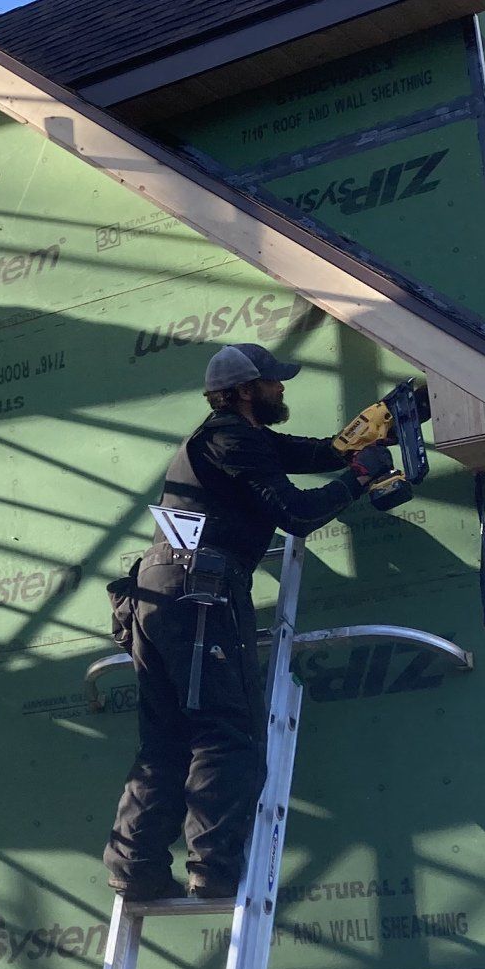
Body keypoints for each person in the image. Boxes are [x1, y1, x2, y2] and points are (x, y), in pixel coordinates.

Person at [103, 342, 412, 905]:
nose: (283, 388)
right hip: (200, 593)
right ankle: (214, 871)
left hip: (157, 593)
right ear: (246, 390)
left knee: (165, 742)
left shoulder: (231, 438)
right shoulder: (231, 437)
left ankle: (135, 870)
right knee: (226, 735)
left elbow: (317, 452)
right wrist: (359, 480)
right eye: (274, 382)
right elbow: (296, 514)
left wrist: (365, 438)